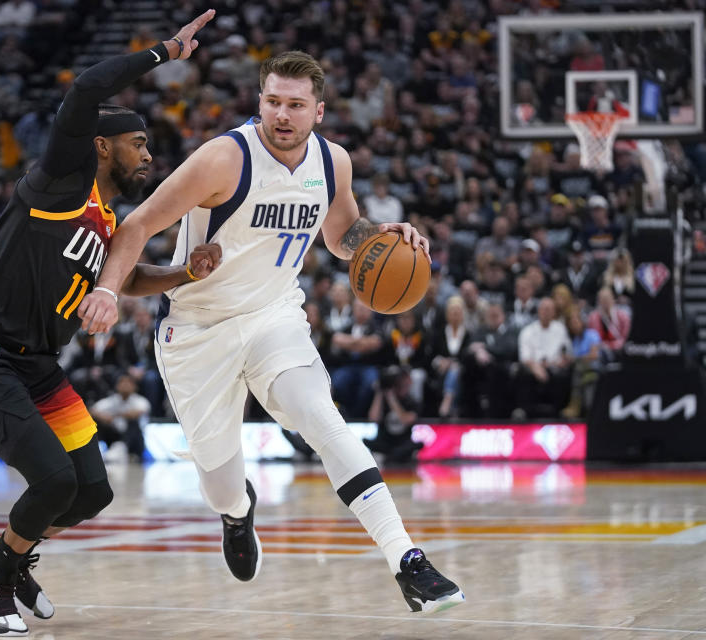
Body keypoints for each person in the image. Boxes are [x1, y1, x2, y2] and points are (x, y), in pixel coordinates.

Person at [80, 51, 463, 613]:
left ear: (319, 111)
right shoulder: (222, 160)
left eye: (296, 105)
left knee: (322, 417)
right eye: (273, 102)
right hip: (198, 330)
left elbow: (341, 233)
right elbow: (137, 225)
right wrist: (108, 291)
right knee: (220, 484)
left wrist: (382, 238)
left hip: (273, 317)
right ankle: (238, 515)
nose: (282, 115)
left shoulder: (334, 164)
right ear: (260, 101)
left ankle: (407, 561)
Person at [0, 10, 218, 636]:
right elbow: (87, 88)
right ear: (101, 145)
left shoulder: (109, 224)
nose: (147, 153)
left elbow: (125, 278)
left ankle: (2, 553)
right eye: (137, 143)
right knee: (53, 479)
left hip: (35, 364)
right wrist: (164, 52)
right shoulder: (62, 181)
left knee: (92, 490)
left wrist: (183, 275)